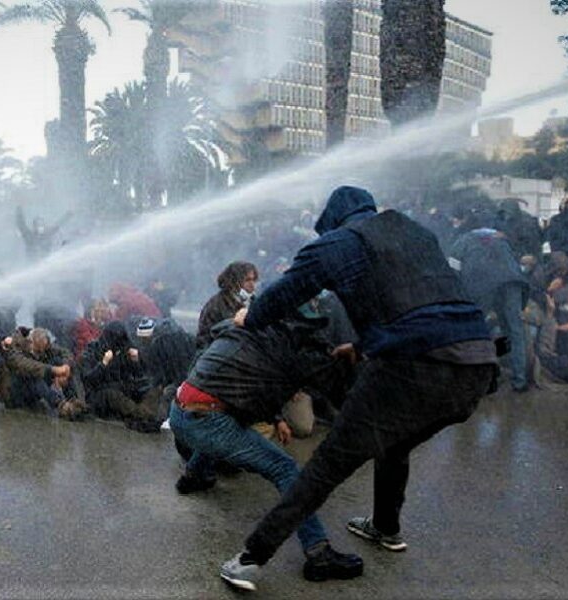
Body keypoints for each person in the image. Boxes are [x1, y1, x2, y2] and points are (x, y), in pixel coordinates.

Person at [220, 186, 498, 590]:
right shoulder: (415, 232)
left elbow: (286, 294)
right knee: (395, 443)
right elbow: (428, 304)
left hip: (410, 367)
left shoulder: (337, 243)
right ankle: (385, 528)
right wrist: (364, 344)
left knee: (326, 464)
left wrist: (251, 316)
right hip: (477, 364)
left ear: (331, 221)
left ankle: (250, 559)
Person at [170, 317, 361, 584]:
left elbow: (247, 385)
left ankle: (193, 476)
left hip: (180, 411)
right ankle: (319, 553)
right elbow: (330, 387)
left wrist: (278, 418)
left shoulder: (246, 329)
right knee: (285, 468)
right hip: (207, 421)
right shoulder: (288, 351)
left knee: (231, 423)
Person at [449, 228, 530, 391]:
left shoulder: (462, 240)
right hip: (511, 283)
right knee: (515, 332)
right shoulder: (500, 236)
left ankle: (479, 377)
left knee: (477, 332)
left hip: (482, 285)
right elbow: (515, 265)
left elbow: (453, 273)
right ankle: (520, 381)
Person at [80, 321, 158, 431]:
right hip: (99, 395)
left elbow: (140, 376)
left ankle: (144, 414)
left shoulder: (123, 349)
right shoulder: (91, 352)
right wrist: (103, 364)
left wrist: (136, 361)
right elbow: (88, 380)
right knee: (113, 395)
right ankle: (144, 415)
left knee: (150, 390)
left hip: (122, 387)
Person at [197, 261, 259, 349]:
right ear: (235, 281)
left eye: (254, 280)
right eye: (247, 280)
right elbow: (204, 338)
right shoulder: (216, 305)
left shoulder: (254, 302)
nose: (252, 285)